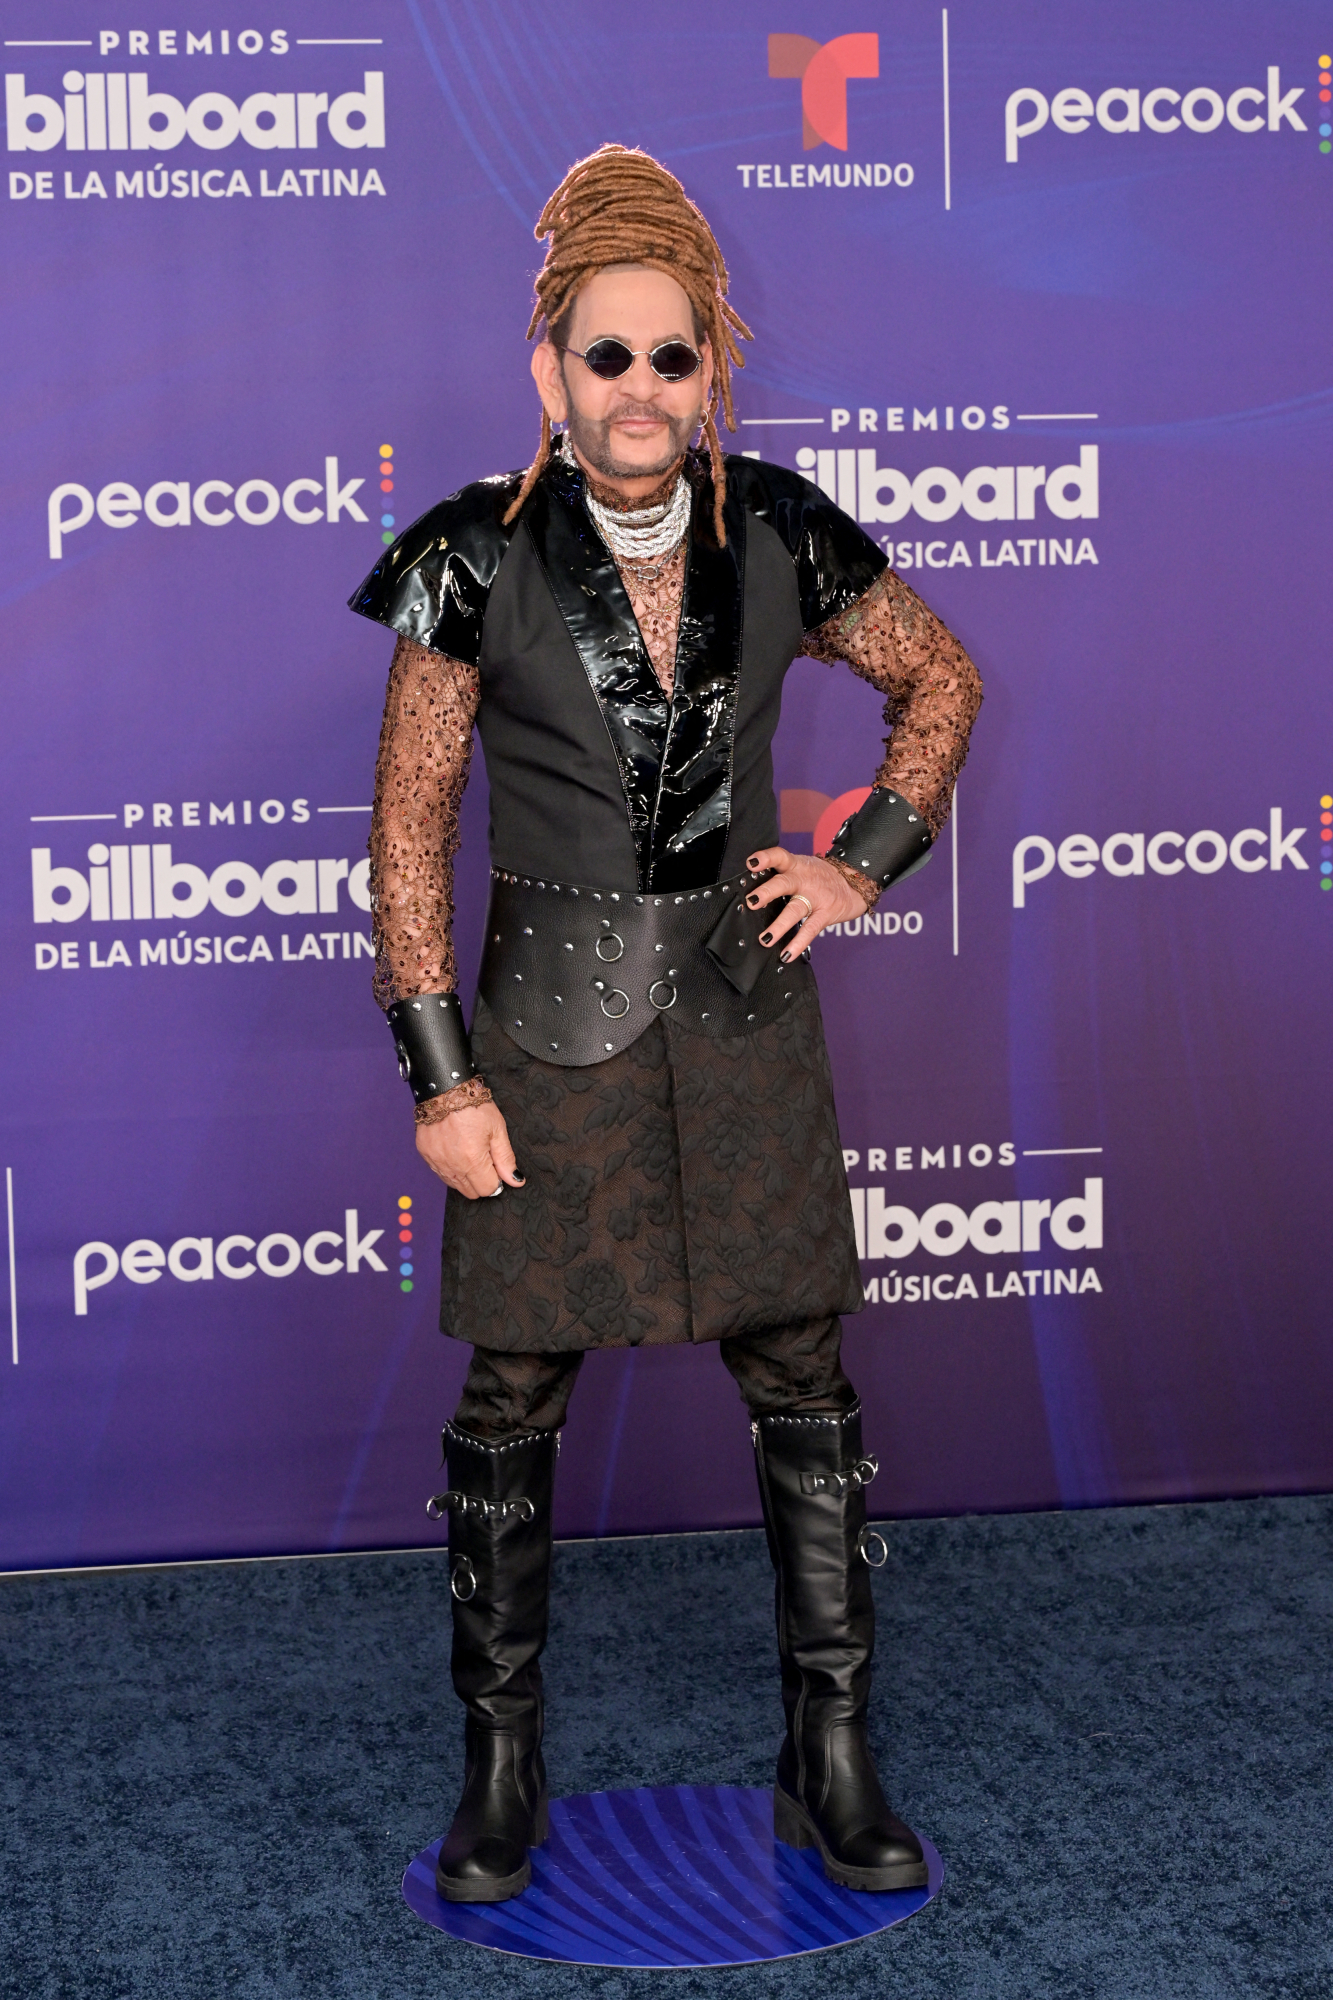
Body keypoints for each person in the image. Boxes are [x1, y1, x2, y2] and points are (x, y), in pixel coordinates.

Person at [350, 145, 981, 1905]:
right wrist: (438, 1075)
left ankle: (828, 1760)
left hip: (740, 1012)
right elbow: (406, 831)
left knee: (800, 1374)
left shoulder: (777, 526)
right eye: (606, 356)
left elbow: (942, 678)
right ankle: (499, 1774)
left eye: (674, 356)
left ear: (715, 369)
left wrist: (863, 861)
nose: (641, 389)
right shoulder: (464, 561)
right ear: (549, 367)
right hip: (543, 1034)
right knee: (514, 1388)